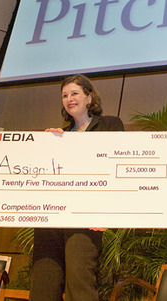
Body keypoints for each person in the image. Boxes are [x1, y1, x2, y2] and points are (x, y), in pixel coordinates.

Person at [29, 74, 124, 301]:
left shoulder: (110, 124)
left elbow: (116, 166)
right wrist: (48, 146)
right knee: (43, 282)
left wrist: (108, 212)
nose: (69, 98)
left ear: (89, 97)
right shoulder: (58, 135)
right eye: (64, 95)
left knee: (79, 282)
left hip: (86, 217)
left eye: (75, 93)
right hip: (51, 217)